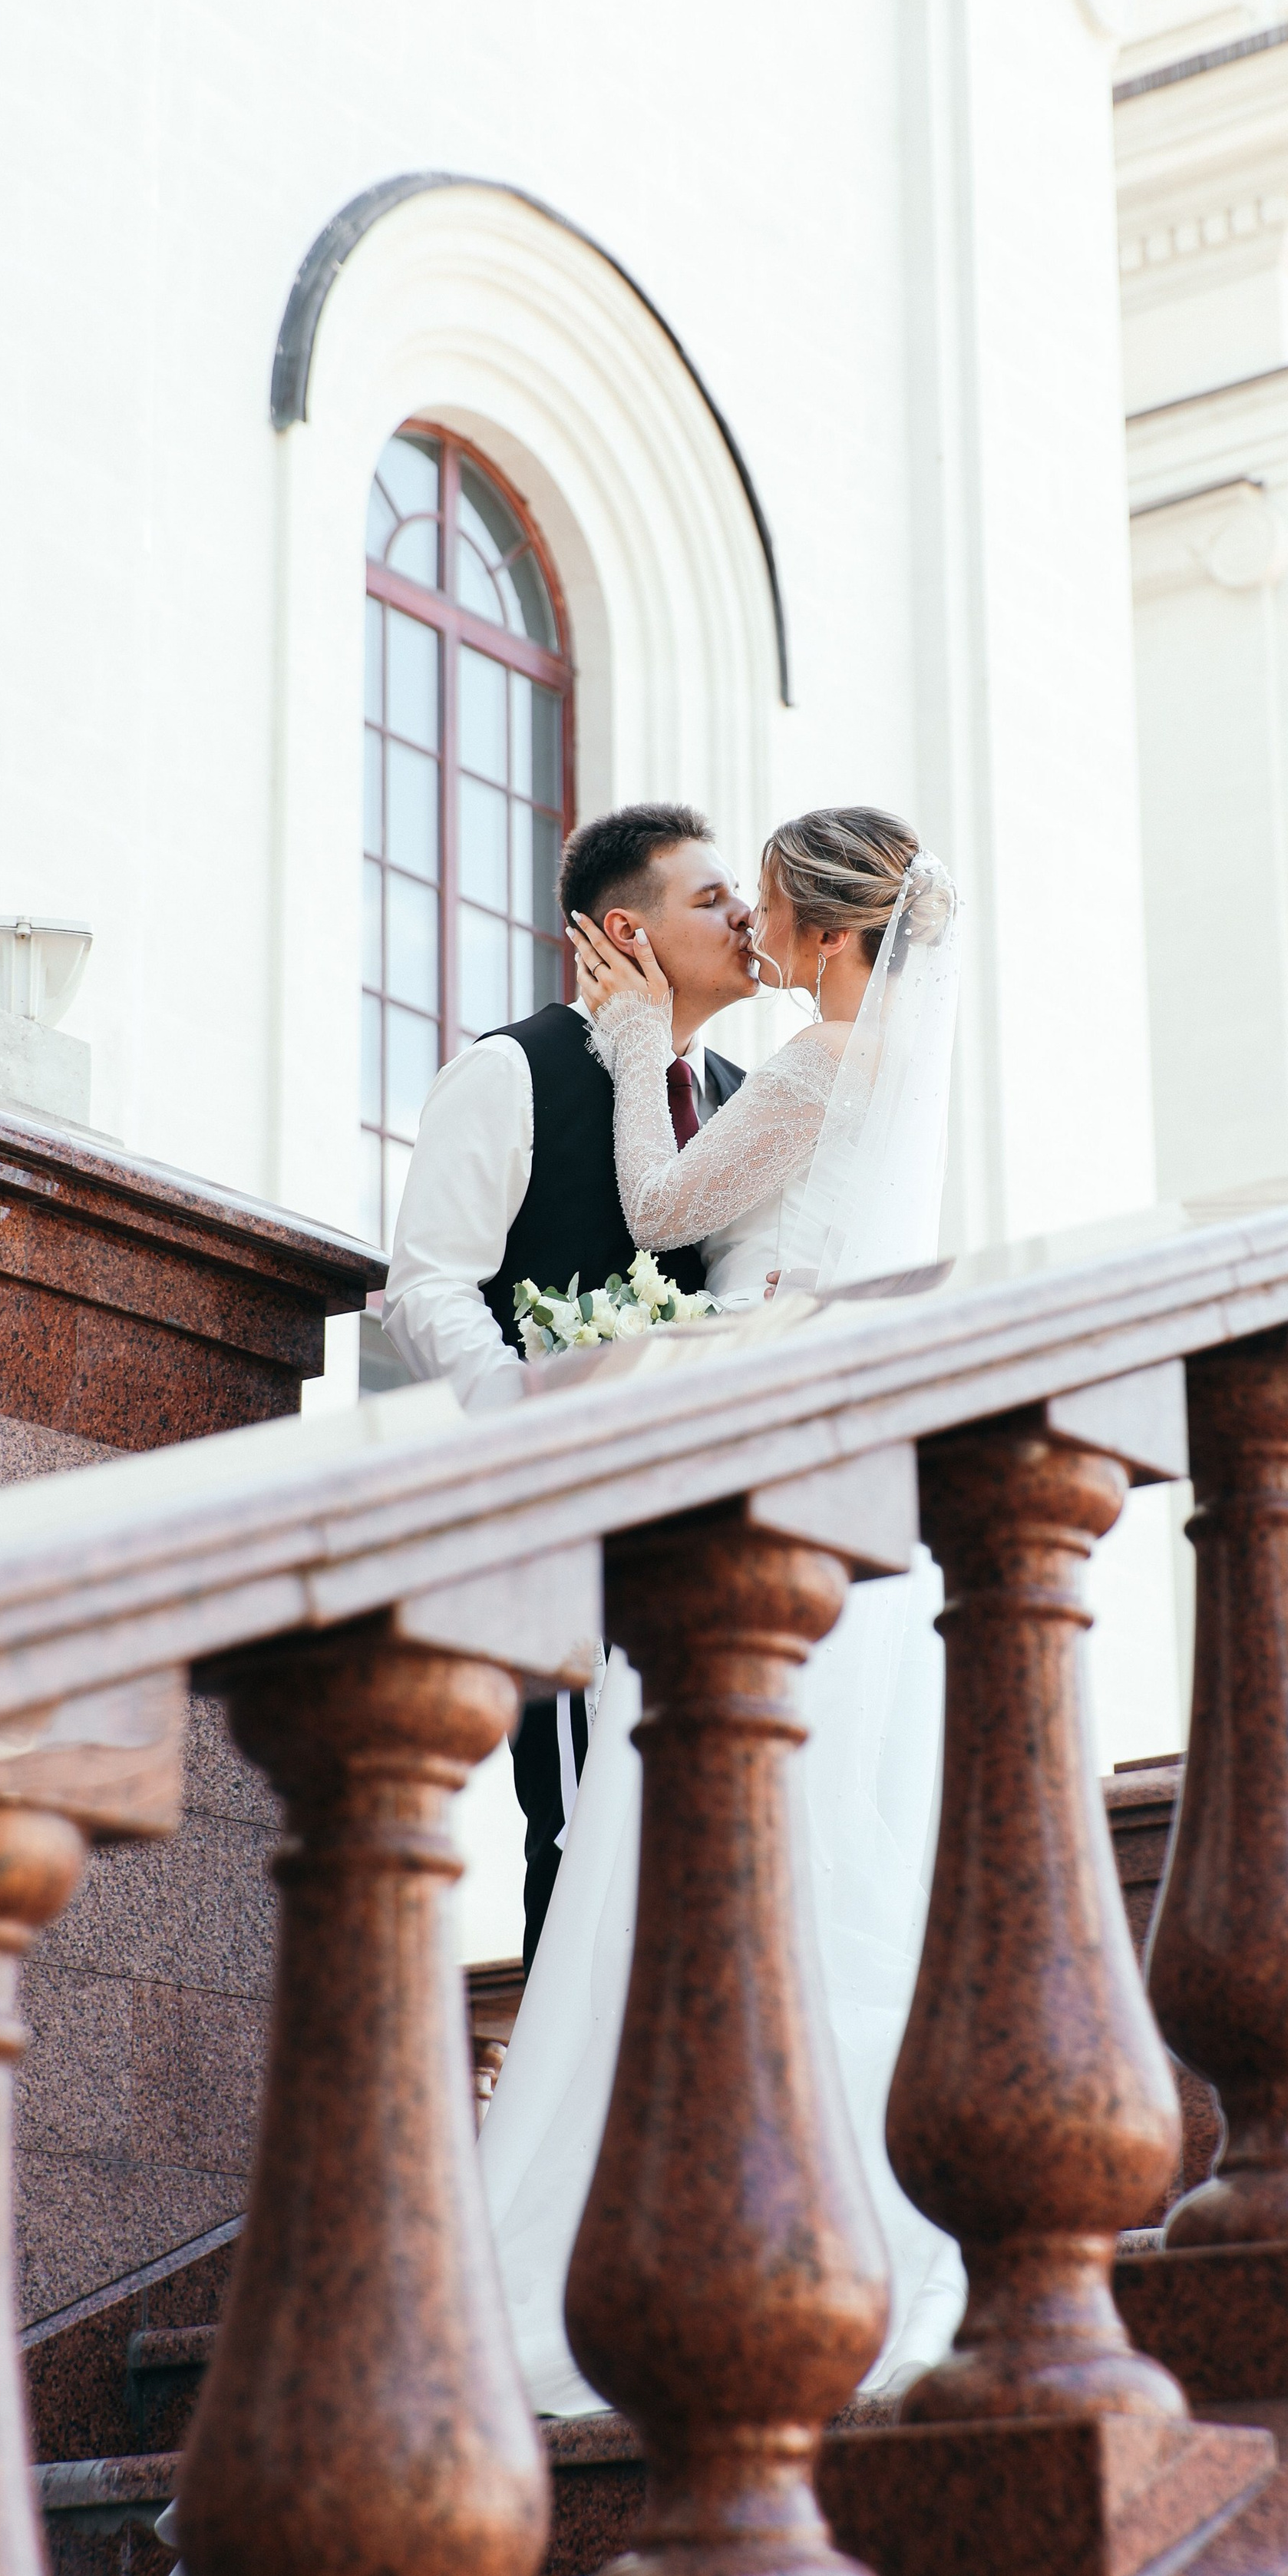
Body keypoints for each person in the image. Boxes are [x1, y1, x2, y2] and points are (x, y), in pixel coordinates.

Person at [479, 806, 968, 2412]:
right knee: (806, 1847)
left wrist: (628, 1048)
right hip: (836, 1494)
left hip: (754, 1489)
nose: (749, 940)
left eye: (758, 912)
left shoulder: (822, 1064)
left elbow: (664, 1214)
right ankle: (815, 2210)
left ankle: (676, 2206)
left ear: (831, 937)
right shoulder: (879, 1070)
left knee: (698, 1827)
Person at [381, 799, 760, 1969]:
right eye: (709, 898)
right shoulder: (509, 1071)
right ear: (623, 933)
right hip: (554, 1523)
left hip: (701, 1526)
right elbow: (431, 1284)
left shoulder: (750, 1097)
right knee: (579, 1829)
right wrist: (532, 1427)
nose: (745, 912)